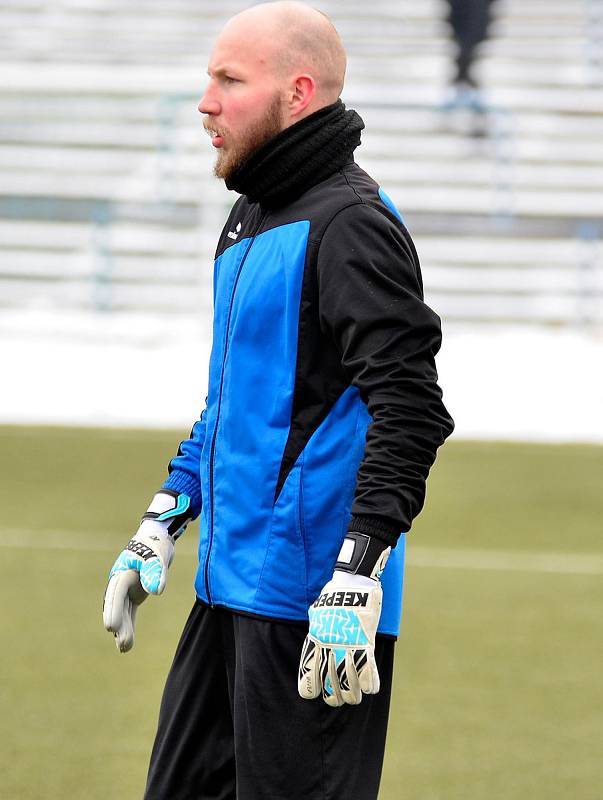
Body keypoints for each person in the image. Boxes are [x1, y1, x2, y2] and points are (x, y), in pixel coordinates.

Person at [102, 3, 454, 798]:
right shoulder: (248, 216)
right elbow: (229, 403)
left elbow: (410, 407)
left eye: (229, 80)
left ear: (297, 93)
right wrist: (162, 519)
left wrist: (357, 574)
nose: (205, 101)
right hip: (226, 592)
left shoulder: (352, 224)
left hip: (314, 608)